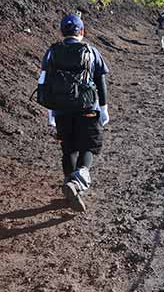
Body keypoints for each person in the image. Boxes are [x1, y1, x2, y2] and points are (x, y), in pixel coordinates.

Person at [37, 14, 109, 212]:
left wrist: (51, 110)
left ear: (62, 32)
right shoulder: (91, 51)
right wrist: (103, 108)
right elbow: (101, 82)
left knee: (68, 148)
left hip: (61, 108)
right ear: (82, 32)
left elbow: (44, 82)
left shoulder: (52, 52)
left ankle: (71, 184)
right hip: (88, 107)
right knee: (90, 146)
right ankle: (77, 183)